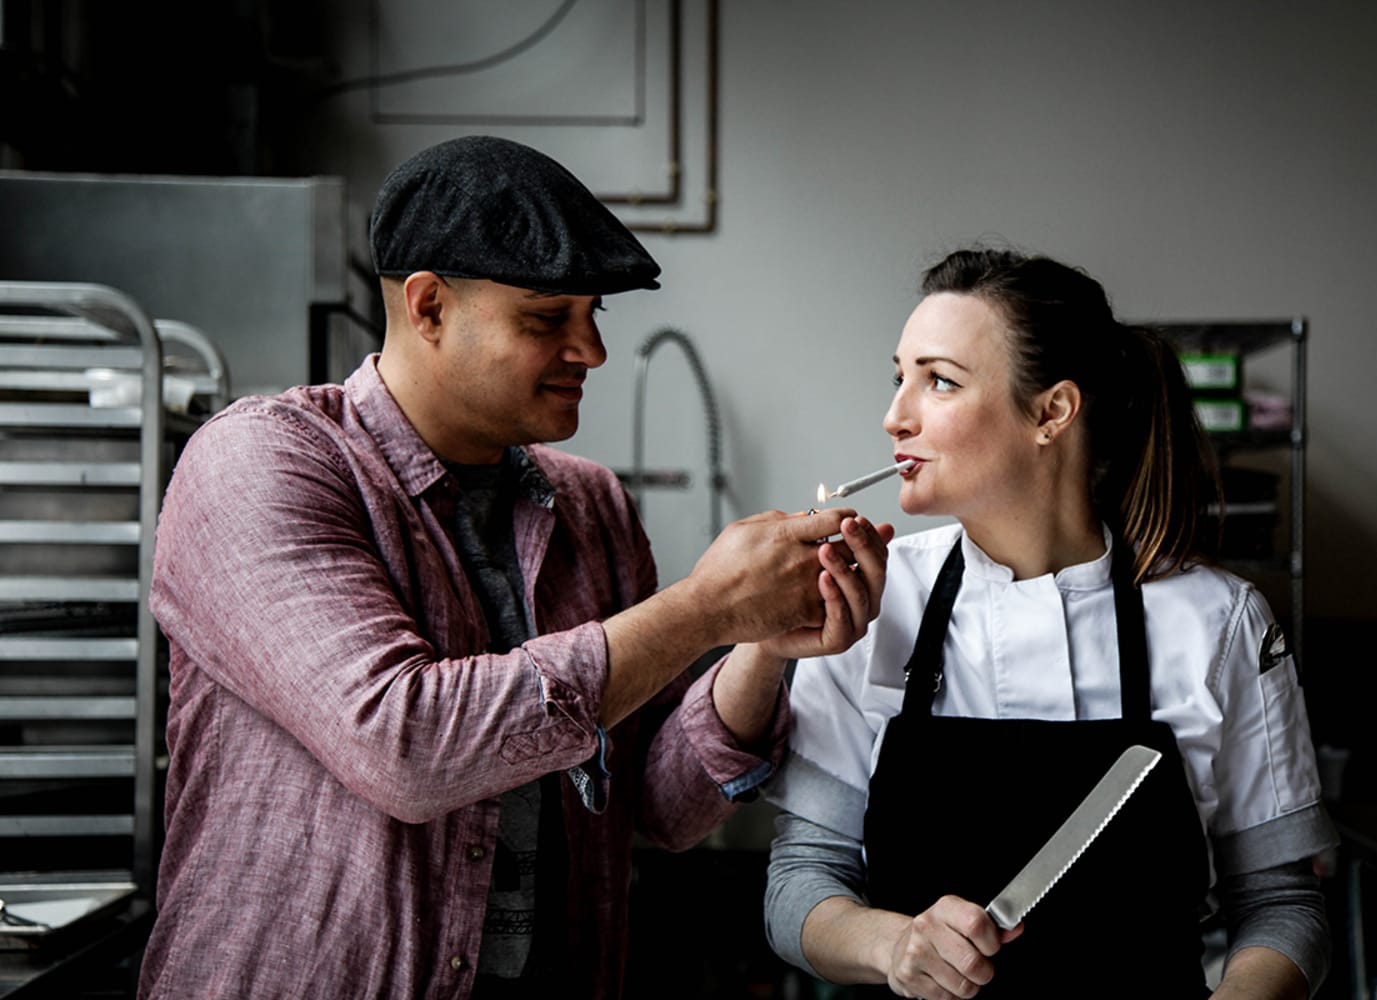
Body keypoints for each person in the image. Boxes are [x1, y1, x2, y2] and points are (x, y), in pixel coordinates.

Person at [138, 135, 894, 1000]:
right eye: (546, 320)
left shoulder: (592, 508)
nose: (592, 352)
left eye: (593, 316)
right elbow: (405, 746)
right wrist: (706, 609)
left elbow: (657, 806)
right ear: (427, 306)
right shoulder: (262, 464)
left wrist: (763, 642)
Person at [761, 246, 1338, 999]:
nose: (895, 415)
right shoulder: (868, 599)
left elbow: (1283, 905)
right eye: (898, 376)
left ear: (1052, 412)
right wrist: (892, 943)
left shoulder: (1220, 622)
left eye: (938, 380)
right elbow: (799, 884)